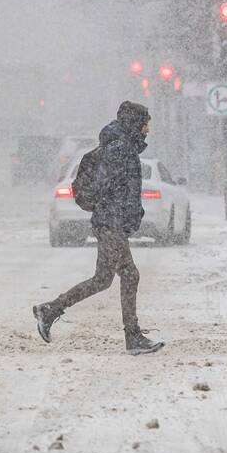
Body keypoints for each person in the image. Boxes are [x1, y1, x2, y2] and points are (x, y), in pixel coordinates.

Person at [33, 101, 164, 355]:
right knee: (130, 274)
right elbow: (110, 188)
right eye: (145, 123)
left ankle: (49, 310)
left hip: (109, 222)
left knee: (102, 279)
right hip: (109, 222)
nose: (147, 129)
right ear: (134, 122)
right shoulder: (120, 149)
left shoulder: (121, 146)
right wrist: (118, 214)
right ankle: (133, 336)